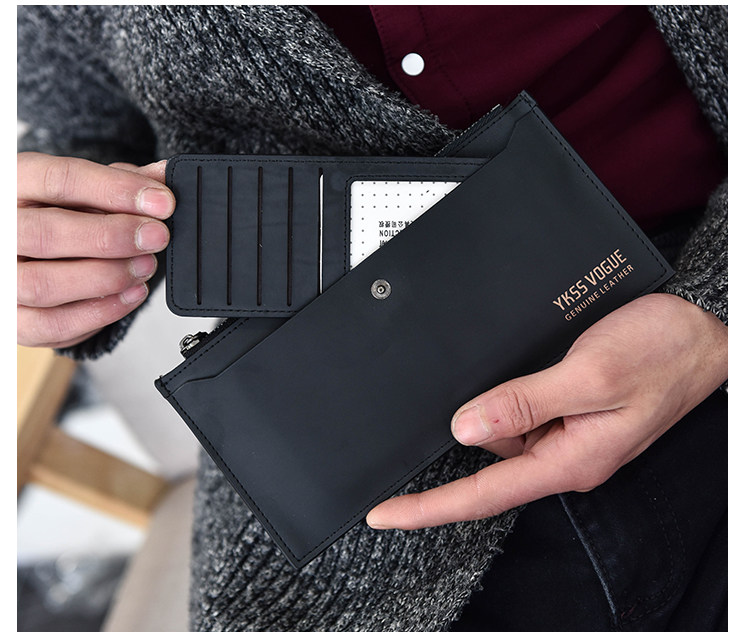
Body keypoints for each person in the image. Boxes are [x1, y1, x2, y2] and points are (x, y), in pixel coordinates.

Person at [17, 5, 727, 631]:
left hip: (684, 270)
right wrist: (57, 245)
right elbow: (82, 123)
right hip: (330, 405)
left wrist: (715, 310)